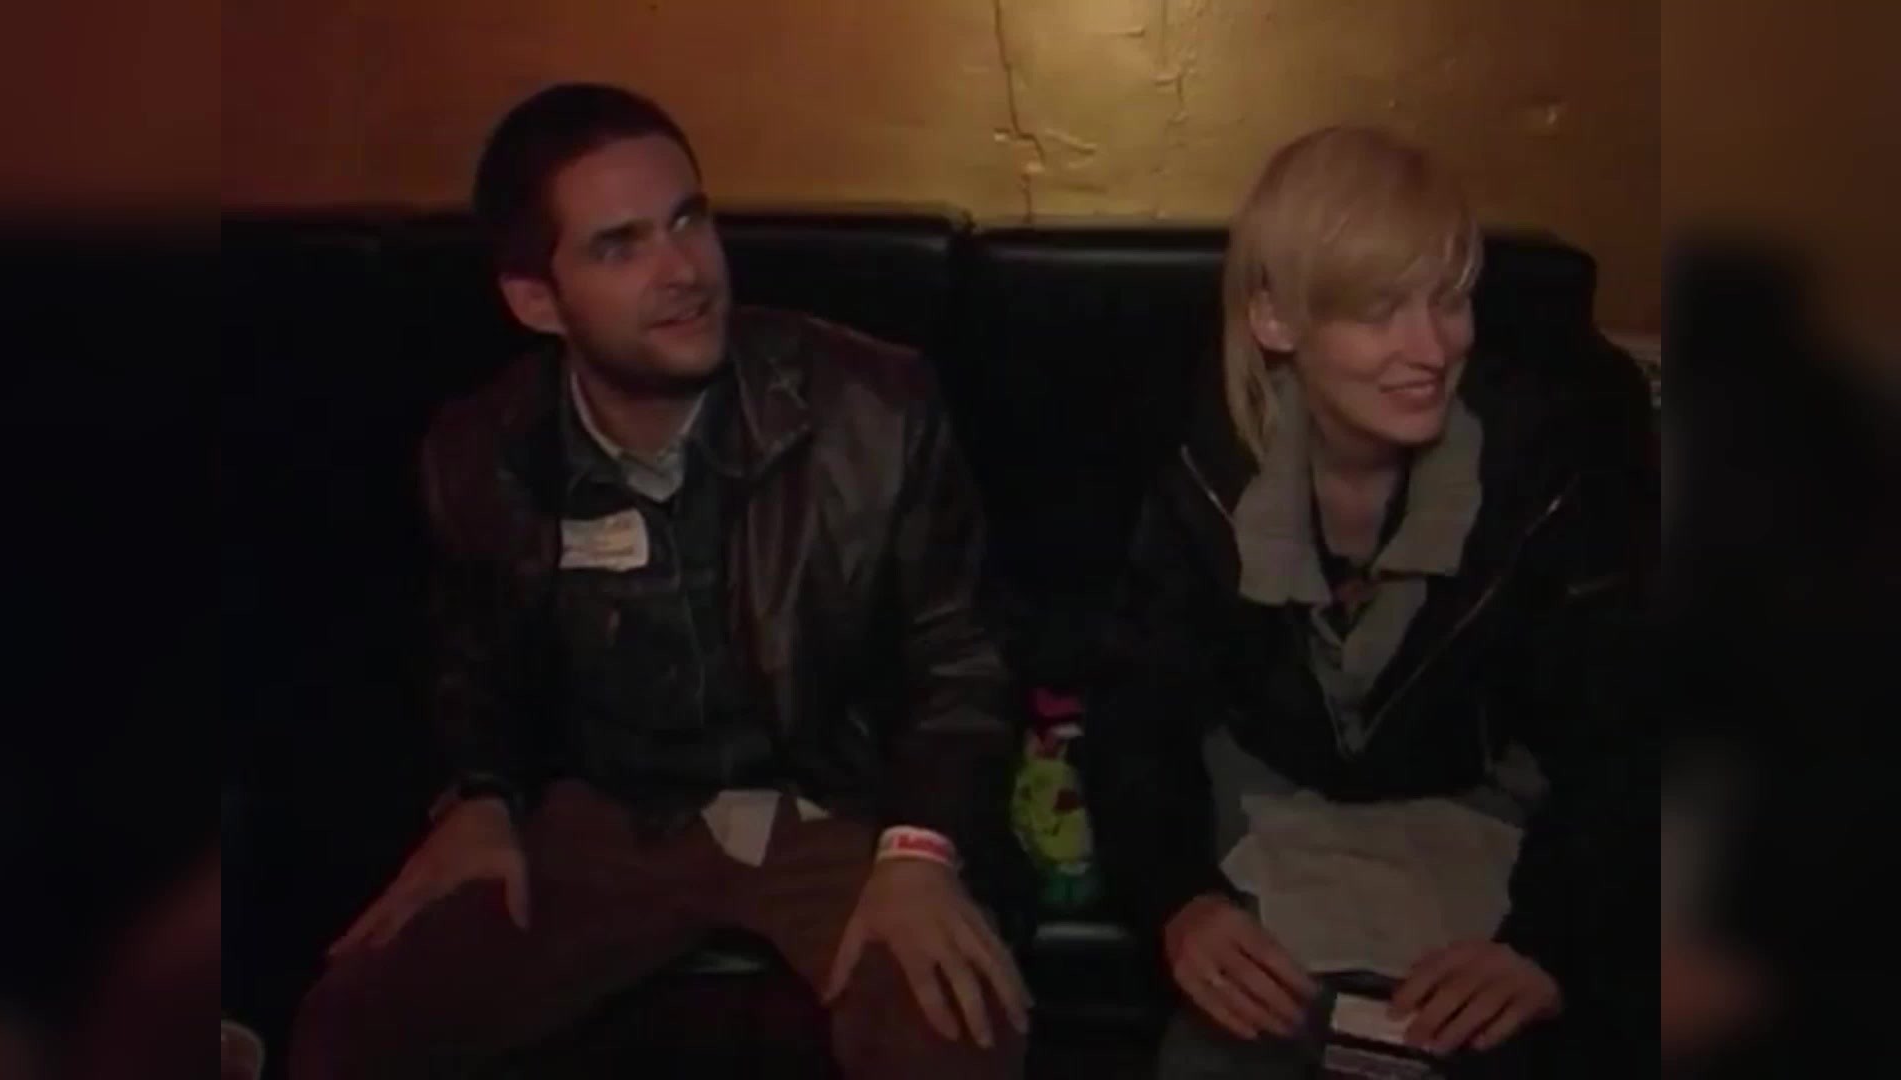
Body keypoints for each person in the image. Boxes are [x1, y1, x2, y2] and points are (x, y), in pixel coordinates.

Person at [287, 83, 1027, 1079]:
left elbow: (961, 660)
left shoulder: (876, 408)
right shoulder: (480, 452)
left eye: (688, 220)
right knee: (352, 1025)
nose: (683, 271)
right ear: (535, 301)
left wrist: (921, 849)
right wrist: (480, 797)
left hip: (830, 808)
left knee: (955, 1027)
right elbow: (472, 661)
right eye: (619, 247)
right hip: (604, 817)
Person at [1080, 127, 1654, 1078]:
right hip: (1266, 813)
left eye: (1450, 300)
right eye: (1381, 310)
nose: (1432, 348)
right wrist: (1180, 901)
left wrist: (1547, 945)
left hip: (1480, 817)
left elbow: (1623, 730)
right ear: (1275, 320)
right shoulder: (1201, 463)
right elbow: (1136, 710)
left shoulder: (1546, 464)